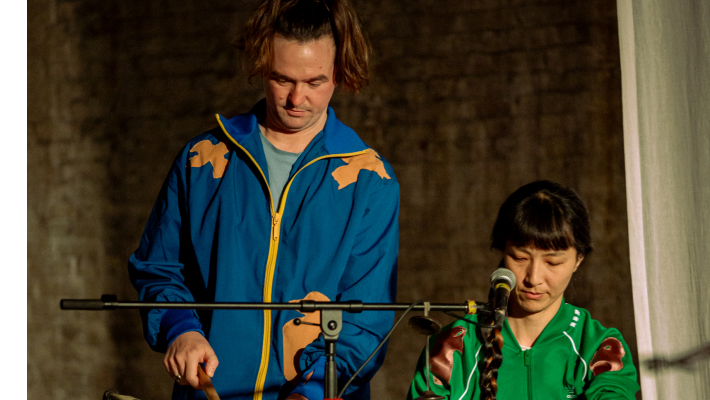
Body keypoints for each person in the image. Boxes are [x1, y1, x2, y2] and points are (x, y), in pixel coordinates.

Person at [127, 1, 399, 399]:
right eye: (282, 79)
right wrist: (180, 329)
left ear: (339, 74)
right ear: (261, 66)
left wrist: (313, 390)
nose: (296, 98)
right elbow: (159, 269)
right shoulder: (203, 160)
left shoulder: (370, 180)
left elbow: (367, 319)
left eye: (315, 82)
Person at [406, 181, 639, 400]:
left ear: (579, 259)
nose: (533, 278)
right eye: (520, 257)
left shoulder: (599, 347)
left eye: (553, 262)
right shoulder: (454, 345)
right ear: (502, 250)